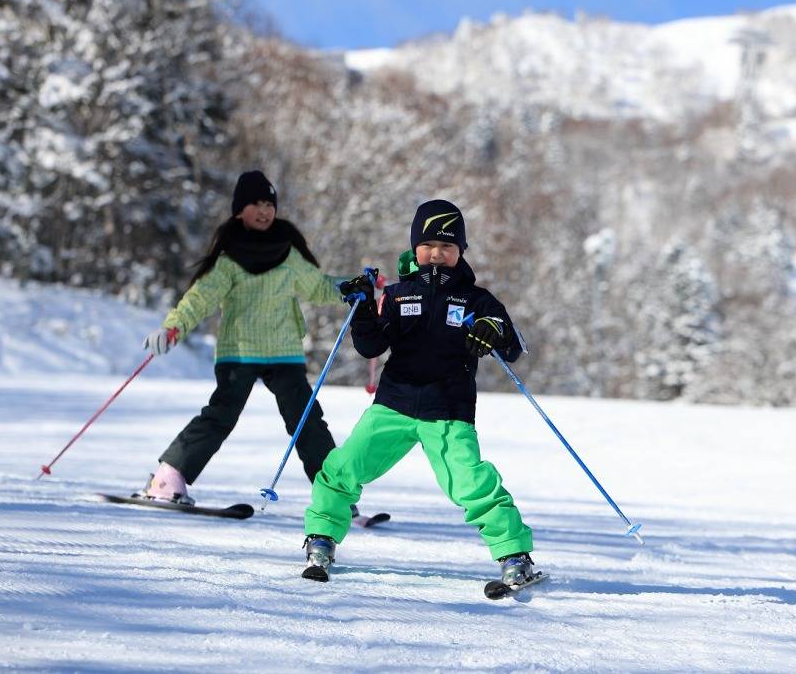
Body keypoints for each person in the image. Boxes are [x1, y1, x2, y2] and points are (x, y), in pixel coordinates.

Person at [300, 199, 537, 589]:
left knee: (470, 483)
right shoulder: (397, 295)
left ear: (460, 251)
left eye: (447, 247)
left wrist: (494, 330)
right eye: (428, 246)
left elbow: (512, 344)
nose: (437, 255)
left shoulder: (476, 299)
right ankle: (322, 535)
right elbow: (371, 346)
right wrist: (361, 308)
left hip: (447, 409)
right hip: (394, 404)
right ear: (415, 248)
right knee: (344, 467)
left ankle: (514, 553)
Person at [137, 171, 352, 507]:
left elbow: (319, 286)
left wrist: (352, 287)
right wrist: (173, 327)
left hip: (284, 351)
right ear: (240, 210)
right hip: (240, 352)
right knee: (221, 414)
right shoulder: (229, 259)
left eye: (269, 204)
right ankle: (167, 478)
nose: (264, 211)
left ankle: (335, 494)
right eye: (256, 204)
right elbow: (201, 297)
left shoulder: (288, 252)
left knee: (307, 420)